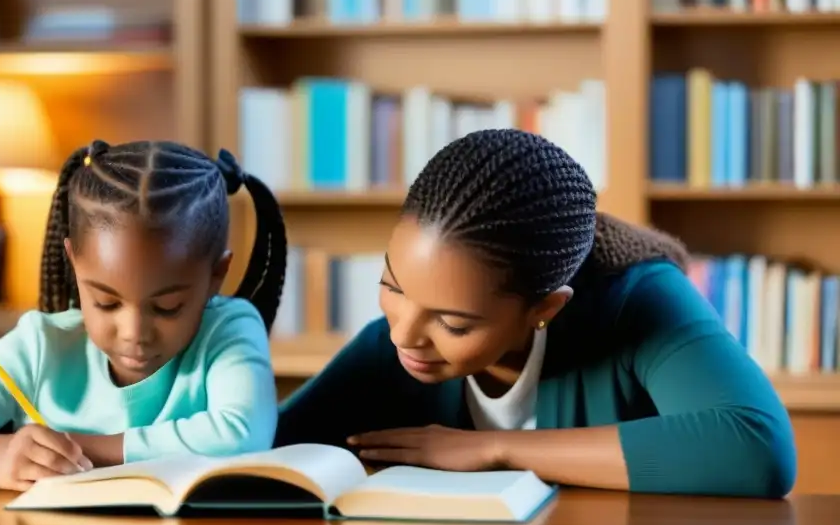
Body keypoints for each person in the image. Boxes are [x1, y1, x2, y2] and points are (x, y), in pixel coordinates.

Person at [275, 129, 797, 499]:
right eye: (392, 286)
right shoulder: (394, 344)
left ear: (545, 307)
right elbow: (259, 452)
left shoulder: (639, 298)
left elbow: (757, 449)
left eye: (454, 324)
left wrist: (495, 448)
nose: (403, 334)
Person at [0, 140, 287, 491]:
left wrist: (77, 447)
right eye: (106, 303)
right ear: (75, 264)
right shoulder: (42, 346)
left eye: (167, 307)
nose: (134, 333)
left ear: (217, 275)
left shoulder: (229, 329)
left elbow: (242, 436)